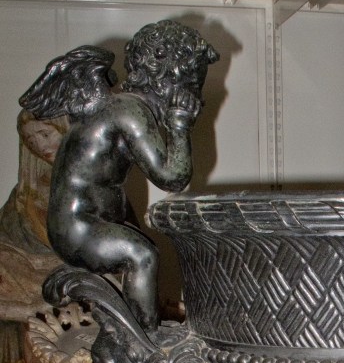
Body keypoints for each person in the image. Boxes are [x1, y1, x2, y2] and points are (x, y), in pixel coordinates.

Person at [20, 20, 219, 335]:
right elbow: (172, 178)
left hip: (83, 222)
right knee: (142, 256)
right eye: (191, 87)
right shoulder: (129, 112)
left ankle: (137, 327)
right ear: (167, 79)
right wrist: (180, 124)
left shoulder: (117, 106)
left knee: (142, 248)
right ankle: (145, 341)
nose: (194, 98)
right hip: (78, 228)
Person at [0, 111, 67, 363]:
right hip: (29, 299)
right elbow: (8, 243)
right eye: (31, 139)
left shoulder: (92, 187)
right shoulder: (22, 198)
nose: (41, 145)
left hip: (71, 297)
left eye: (45, 133)